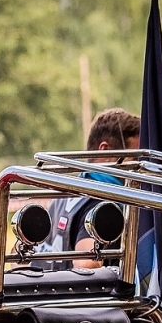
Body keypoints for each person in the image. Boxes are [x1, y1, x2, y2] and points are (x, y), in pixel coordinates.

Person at [44, 107, 141, 266]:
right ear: (105, 151)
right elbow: (86, 265)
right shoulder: (106, 205)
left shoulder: (63, 196)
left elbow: (18, 257)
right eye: (136, 157)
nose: (139, 166)